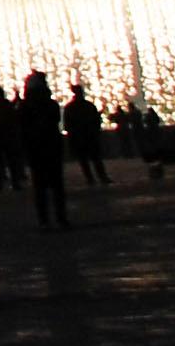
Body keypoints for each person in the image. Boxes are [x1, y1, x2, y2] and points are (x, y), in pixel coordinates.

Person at [16, 73, 69, 230]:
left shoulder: (24, 106)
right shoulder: (50, 104)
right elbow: (55, 122)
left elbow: (21, 128)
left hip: (35, 150)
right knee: (57, 186)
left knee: (40, 187)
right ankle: (61, 218)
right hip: (51, 148)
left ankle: (44, 220)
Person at [63, 83, 109, 188]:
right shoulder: (88, 106)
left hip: (80, 137)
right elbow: (96, 121)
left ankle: (91, 178)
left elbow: (68, 125)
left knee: (84, 159)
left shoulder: (71, 107)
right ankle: (100, 176)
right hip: (89, 136)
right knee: (95, 158)